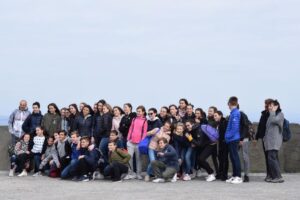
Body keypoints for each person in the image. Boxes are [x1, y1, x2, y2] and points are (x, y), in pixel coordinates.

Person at [263, 100, 284, 183]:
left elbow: (275, 121)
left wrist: (273, 112)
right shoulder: (271, 115)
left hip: (275, 141)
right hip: (269, 141)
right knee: (270, 158)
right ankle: (273, 176)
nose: (269, 107)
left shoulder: (280, 114)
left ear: (276, 106)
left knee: (272, 158)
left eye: (271, 105)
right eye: (269, 106)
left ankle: (278, 177)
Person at [125, 105, 148, 180]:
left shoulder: (145, 121)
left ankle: (138, 174)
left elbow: (144, 132)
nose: (138, 112)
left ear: (143, 112)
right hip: (131, 142)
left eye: (139, 111)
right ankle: (130, 173)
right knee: (129, 158)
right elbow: (130, 129)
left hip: (139, 143)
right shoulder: (134, 119)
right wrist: (128, 138)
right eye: (137, 111)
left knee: (139, 159)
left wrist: (141, 141)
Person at [254, 98, 273, 181]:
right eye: (265, 104)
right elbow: (260, 126)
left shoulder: (273, 114)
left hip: (271, 139)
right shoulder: (264, 114)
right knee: (267, 157)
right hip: (264, 139)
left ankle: (274, 174)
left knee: (272, 157)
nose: (265, 105)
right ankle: (269, 174)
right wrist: (256, 138)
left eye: (268, 104)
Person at [225, 97, 243, 184]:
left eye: (228, 104)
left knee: (235, 158)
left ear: (230, 103)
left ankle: (238, 176)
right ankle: (234, 175)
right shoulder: (233, 113)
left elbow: (235, 128)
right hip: (231, 139)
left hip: (233, 139)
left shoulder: (235, 113)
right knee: (232, 158)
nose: (227, 105)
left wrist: (227, 136)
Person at [214, 111, 229, 181]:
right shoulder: (218, 123)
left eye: (216, 116)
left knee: (225, 159)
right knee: (220, 158)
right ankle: (220, 173)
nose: (215, 117)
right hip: (220, 143)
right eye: (214, 116)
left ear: (220, 115)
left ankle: (225, 175)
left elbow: (226, 132)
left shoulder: (224, 122)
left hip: (225, 143)